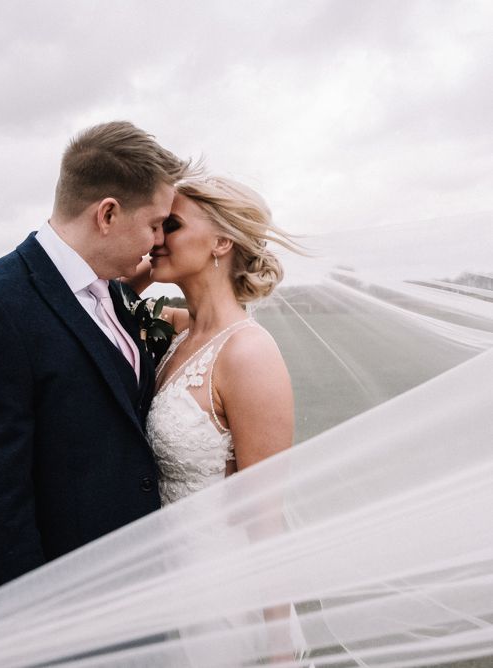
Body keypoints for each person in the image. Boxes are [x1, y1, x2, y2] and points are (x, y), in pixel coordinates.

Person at [0, 121, 190, 602]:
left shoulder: (114, 292)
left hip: (139, 596)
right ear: (107, 214)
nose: (157, 242)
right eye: (154, 224)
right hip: (63, 614)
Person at [126, 175, 303, 661]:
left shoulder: (248, 355)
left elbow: (267, 516)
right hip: (161, 578)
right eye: (157, 226)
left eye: (172, 225)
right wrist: (143, 270)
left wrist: (279, 645)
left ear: (222, 242)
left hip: (218, 591)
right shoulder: (178, 330)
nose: (156, 237)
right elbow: (107, 304)